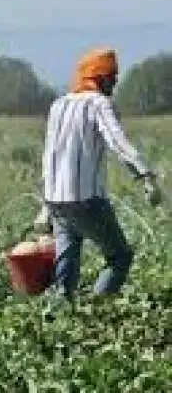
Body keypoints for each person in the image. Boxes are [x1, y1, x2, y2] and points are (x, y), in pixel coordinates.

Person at [33, 47, 163, 299]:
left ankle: (60, 317)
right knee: (119, 257)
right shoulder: (99, 104)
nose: (113, 84)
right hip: (87, 200)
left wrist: (45, 205)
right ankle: (97, 310)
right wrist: (145, 176)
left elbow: (50, 156)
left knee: (66, 264)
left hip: (58, 200)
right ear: (96, 78)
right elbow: (118, 142)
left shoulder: (58, 106)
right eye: (110, 78)